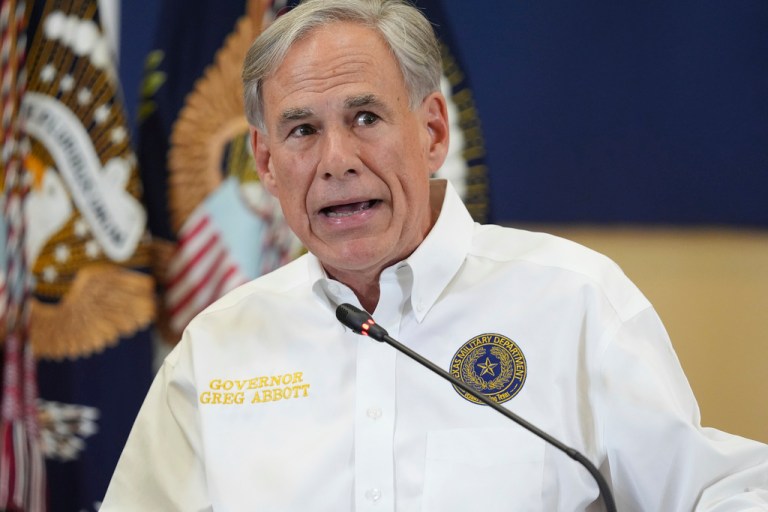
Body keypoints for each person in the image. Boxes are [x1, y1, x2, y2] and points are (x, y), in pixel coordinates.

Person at [101, 0, 768, 510]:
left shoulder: (574, 302)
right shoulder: (215, 350)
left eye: (365, 118)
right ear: (267, 163)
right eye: (302, 129)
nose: (337, 161)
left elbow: (719, 492)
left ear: (432, 132)